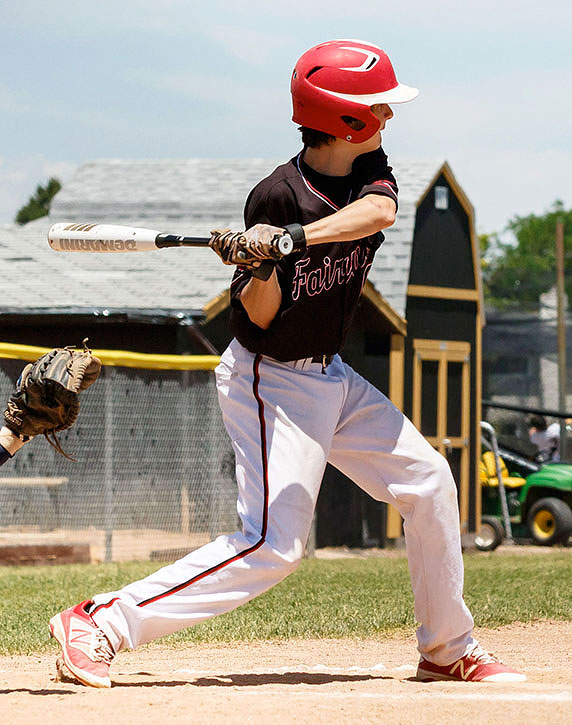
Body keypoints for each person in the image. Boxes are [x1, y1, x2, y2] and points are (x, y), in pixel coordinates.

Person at [49, 39, 525, 688]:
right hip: (270, 379)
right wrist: (259, 264)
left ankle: (446, 646)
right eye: (375, 107)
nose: (386, 116)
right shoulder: (274, 195)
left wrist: (294, 240)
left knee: (430, 480)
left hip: (329, 373)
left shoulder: (367, 169)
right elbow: (263, 316)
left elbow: (378, 212)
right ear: (342, 118)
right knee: (274, 543)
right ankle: (101, 621)